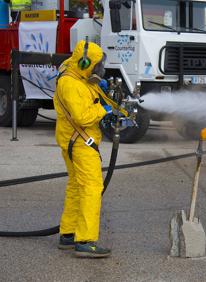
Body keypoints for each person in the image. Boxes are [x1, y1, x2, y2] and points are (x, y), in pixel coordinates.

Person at [54, 40, 112, 258]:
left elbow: (87, 87)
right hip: (79, 141)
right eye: (97, 66)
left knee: (76, 186)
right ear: (86, 63)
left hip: (71, 139)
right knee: (91, 187)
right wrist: (103, 110)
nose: (100, 70)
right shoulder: (71, 85)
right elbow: (82, 116)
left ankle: (68, 234)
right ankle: (86, 240)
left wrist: (103, 94)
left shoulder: (75, 69)